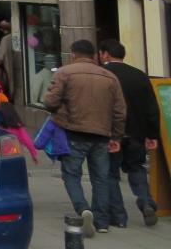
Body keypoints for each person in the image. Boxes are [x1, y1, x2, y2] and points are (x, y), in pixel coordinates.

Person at [44, 39, 127, 237]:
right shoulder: (110, 77)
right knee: (101, 178)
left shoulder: (64, 73)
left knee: (71, 174)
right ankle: (102, 222)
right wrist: (116, 136)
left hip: (73, 132)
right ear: (95, 56)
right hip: (101, 134)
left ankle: (83, 209)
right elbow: (120, 111)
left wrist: (62, 111)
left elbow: (50, 101)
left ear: (73, 54)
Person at [99, 39, 161, 227]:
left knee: (110, 173)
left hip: (111, 134)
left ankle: (119, 216)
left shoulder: (103, 75)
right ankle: (146, 201)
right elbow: (152, 108)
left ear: (105, 54)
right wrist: (152, 134)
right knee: (136, 167)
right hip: (137, 133)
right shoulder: (139, 75)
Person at [0, 20, 21, 103]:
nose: (2, 30)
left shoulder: (5, 39)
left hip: (8, 66)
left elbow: (0, 59)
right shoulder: (11, 37)